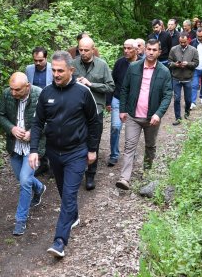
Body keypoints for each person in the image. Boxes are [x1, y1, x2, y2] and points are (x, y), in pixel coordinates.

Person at [29, 51, 101, 258]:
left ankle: (60, 241)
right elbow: (37, 123)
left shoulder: (83, 93)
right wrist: (34, 150)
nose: (56, 74)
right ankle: (74, 216)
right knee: (63, 191)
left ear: (71, 70)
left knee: (69, 195)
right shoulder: (46, 93)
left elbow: (93, 122)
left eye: (60, 70)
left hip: (76, 152)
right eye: (54, 70)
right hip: (54, 153)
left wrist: (92, 148)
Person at [116, 39, 172, 190]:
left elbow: (168, 95)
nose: (151, 52)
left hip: (152, 118)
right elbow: (124, 89)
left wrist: (158, 114)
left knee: (150, 146)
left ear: (159, 52)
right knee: (129, 146)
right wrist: (122, 109)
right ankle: (124, 178)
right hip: (133, 116)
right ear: (144, 50)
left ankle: (147, 173)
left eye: (155, 50)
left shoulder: (164, 71)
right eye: (149, 49)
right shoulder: (134, 67)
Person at [0, 72, 46, 236]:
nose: (13, 93)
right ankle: (39, 188)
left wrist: (33, 132)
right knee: (21, 178)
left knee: (25, 181)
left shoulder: (40, 95)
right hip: (15, 146)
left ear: (27, 86)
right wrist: (11, 128)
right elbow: (1, 115)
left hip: (33, 148)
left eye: (17, 90)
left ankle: (20, 220)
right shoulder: (6, 94)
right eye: (11, 89)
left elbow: (50, 120)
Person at [71, 36, 114, 190]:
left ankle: (91, 175)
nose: (83, 53)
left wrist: (91, 84)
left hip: (96, 109)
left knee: (93, 142)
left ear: (93, 49)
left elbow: (110, 87)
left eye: (86, 50)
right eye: (80, 50)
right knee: (76, 141)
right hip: (77, 110)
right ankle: (76, 172)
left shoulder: (102, 65)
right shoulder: (73, 64)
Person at [107, 39, 139, 167]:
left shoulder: (142, 63)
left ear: (136, 49)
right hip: (118, 99)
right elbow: (111, 82)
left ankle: (130, 152)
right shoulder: (119, 63)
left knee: (134, 129)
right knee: (115, 127)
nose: (126, 51)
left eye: (129, 48)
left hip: (135, 102)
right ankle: (114, 154)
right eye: (124, 48)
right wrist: (108, 101)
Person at [24, 47, 53, 177]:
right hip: (35, 105)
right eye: (35, 60)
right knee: (38, 132)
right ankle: (42, 163)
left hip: (50, 104)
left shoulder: (53, 69)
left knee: (51, 133)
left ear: (46, 58)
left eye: (40, 60)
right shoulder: (29, 69)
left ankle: (52, 164)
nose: (37, 63)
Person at [168, 33, 199, 125]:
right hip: (176, 78)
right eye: (181, 42)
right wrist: (175, 64)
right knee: (177, 99)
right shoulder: (173, 49)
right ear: (179, 41)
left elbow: (196, 63)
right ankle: (178, 118)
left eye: (184, 42)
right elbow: (169, 62)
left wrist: (188, 64)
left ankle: (187, 113)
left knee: (188, 99)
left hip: (188, 78)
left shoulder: (193, 50)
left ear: (188, 40)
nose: (182, 44)